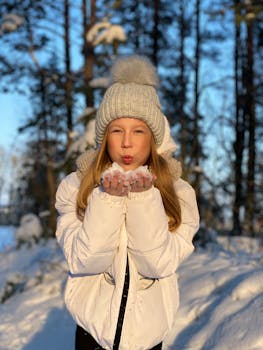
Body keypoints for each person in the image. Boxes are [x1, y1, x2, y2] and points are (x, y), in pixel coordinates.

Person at [55, 55, 199, 350]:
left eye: (138, 130)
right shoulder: (75, 187)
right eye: (117, 130)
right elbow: (84, 260)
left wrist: (145, 199)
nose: (126, 143)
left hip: (147, 340)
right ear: (104, 136)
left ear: (154, 137)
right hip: (91, 335)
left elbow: (158, 264)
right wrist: (109, 200)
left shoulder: (179, 193)